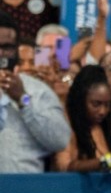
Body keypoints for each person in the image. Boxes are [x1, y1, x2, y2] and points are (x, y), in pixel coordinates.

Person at [0, 11, 72, 172]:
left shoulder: (37, 90)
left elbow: (60, 140)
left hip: (23, 191)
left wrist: (23, 99)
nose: (0, 53)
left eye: (6, 47)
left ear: (16, 49)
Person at [56, 65, 111, 173]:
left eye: (107, 105)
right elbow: (64, 167)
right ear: (81, 100)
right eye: (96, 104)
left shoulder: (109, 124)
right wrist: (110, 160)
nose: (103, 111)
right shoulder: (64, 121)